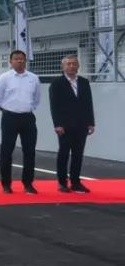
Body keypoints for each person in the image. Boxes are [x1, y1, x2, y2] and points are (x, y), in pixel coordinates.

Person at [0, 50, 41, 194]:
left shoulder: (33, 78)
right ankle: (6, 183)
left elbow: (37, 98)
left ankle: (28, 183)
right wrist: (7, 110)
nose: (19, 61)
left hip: (28, 118)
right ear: (11, 61)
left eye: (22, 59)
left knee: (30, 151)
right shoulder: (4, 78)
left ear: (25, 61)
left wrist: (27, 108)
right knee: (7, 151)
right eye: (16, 59)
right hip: (9, 117)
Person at [48, 55, 95, 193]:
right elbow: (54, 105)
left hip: (81, 124)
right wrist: (57, 124)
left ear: (78, 66)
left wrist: (91, 122)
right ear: (62, 67)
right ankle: (62, 182)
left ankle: (75, 182)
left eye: (74, 63)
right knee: (63, 153)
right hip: (64, 125)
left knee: (78, 154)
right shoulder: (57, 83)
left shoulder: (84, 82)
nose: (72, 66)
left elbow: (88, 103)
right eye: (69, 64)